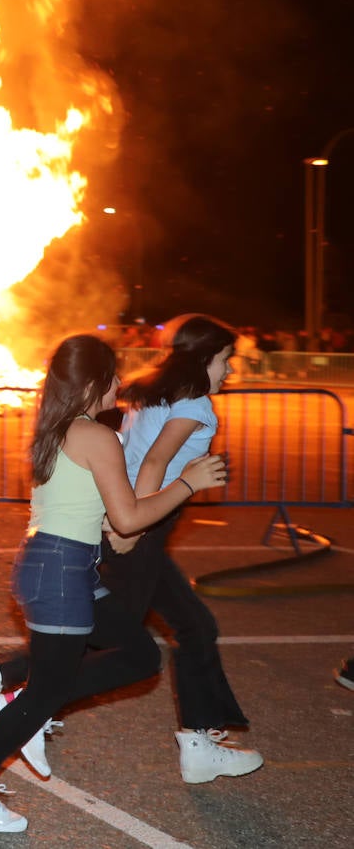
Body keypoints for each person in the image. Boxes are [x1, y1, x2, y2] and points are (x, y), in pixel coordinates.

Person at [0, 334, 227, 834]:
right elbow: (131, 517)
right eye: (111, 375)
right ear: (92, 382)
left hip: (57, 566)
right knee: (47, 692)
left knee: (139, 654)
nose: (118, 383)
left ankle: (8, 690)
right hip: (61, 575)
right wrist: (187, 484)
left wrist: (112, 526)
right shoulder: (96, 435)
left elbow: (89, 509)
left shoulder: (59, 427)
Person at [103, 313, 263, 784]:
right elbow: (154, 462)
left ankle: (198, 741)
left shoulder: (156, 394)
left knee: (194, 627)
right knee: (117, 642)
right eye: (224, 359)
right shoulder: (196, 404)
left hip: (129, 519)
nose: (229, 370)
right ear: (203, 358)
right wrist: (134, 529)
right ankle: (9, 683)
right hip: (139, 527)